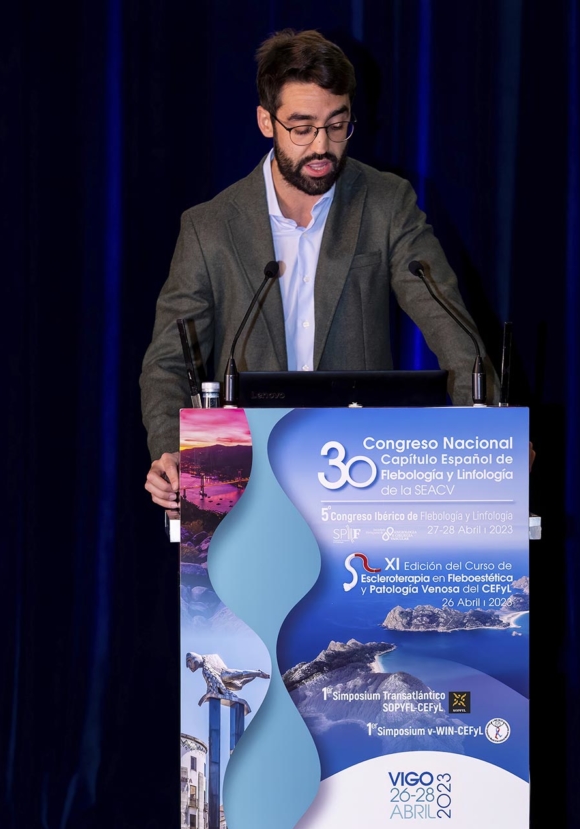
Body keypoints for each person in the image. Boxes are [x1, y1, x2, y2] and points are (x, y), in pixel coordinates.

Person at [141, 29, 499, 514]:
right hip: (245, 477)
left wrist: (491, 436)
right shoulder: (210, 227)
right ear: (266, 121)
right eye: (302, 128)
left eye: (337, 125)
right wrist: (171, 452)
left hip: (363, 469)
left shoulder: (387, 204)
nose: (322, 146)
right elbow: (167, 363)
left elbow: (451, 328)